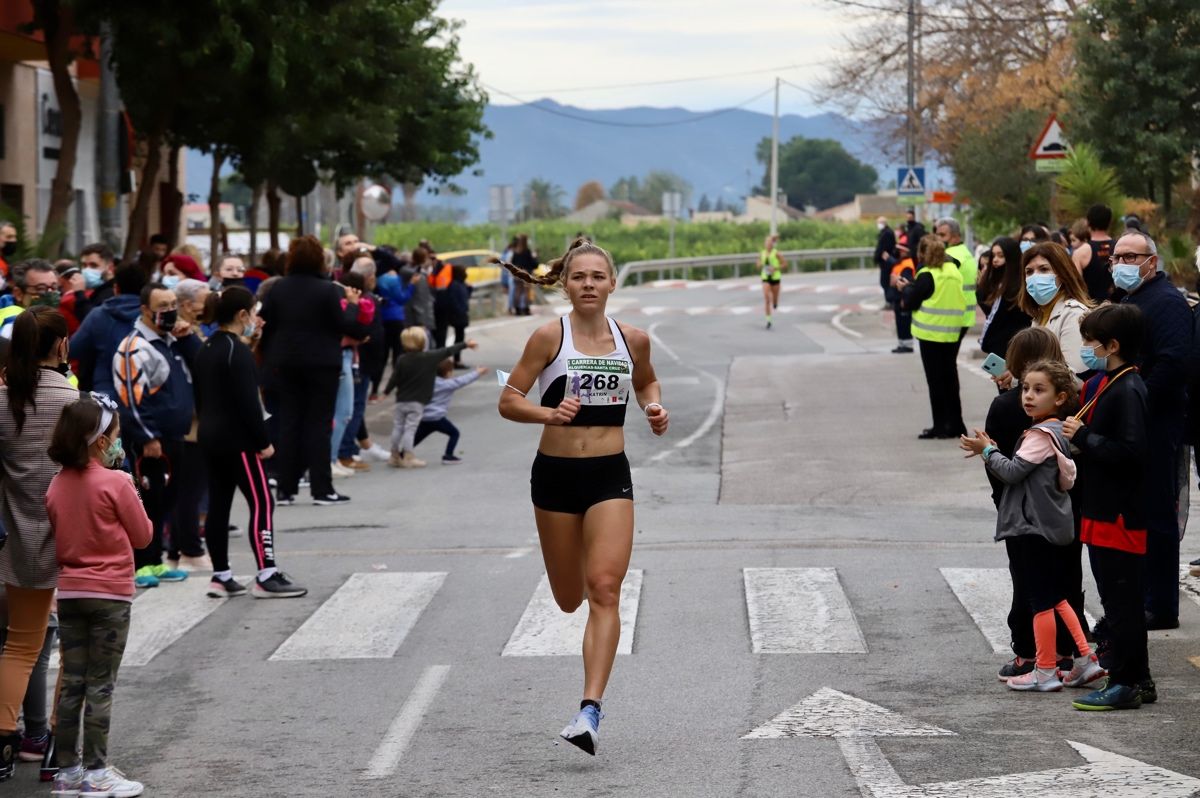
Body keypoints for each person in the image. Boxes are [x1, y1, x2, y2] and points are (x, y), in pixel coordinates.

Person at [497, 238, 668, 756]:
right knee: (569, 597)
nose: (589, 285)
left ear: (613, 283)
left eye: (598, 276)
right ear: (566, 284)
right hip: (554, 476)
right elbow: (509, 400)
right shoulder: (550, 335)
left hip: (609, 475)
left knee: (606, 588)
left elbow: (649, 382)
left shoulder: (633, 339)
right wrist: (547, 414)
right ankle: (587, 701)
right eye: (579, 277)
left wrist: (654, 408)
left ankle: (589, 710)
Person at [961, 359, 1097, 692]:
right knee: (1057, 597)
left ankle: (1046, 670)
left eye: (1039, 390)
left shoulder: (1039, 435)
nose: (1028, 397)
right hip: (1048, 525)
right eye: (1025, 389)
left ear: (1061, 398)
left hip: (1033, 528)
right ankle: (1084, 658)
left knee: (1039, 603)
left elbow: (1011, 472)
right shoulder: (1053, 431)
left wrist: (987, 450)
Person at [44, 394, 151, 796]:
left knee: (71, 682)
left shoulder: (56, 486)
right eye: (117, 435)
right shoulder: (117, 482)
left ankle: (67, 772)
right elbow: (143, 536)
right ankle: (97, 771)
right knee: (100, 684)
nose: (120, 443)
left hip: (70, 593)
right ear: (102, 441)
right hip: (111, 596)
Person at [0, 307, 79, 781]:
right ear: (61, 346)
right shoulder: (73, 401)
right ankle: (57, 746)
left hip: (22, 537)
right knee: (76, 647)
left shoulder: (3, 401)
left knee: (20, 645)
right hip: (75, 536)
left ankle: (3, 739)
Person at [1063, 304, 1154, 709]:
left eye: (1090, 342)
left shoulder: (1128, 389)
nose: (1085, 348)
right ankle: (1139, 679)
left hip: (1120, 513)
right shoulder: (1109, 381)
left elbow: (1132, 453)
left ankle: (1126, 681)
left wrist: (1085, 437)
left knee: (1122, 602)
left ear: (1112, 345)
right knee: (1119, 598)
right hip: (1103, 508)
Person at [194, 287, 307, 599]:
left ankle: (221, 575)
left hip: (210, 435)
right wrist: (263, 441)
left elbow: (201, 398)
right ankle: (267, 572)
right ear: (242, 315)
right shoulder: (237, 351)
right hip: (238, 439)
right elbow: (249, 403)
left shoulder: (207, 347)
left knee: (219, 503)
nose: (257, 319)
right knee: (262, 501)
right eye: (254, 313)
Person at [1113, 230, 1192, 630]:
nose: (1123, 264)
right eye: (1117, 257)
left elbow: (1175, 364)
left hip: (1157, 423)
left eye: (1131, 257)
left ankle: (1161, 606)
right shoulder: (1131, 299)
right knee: (1138, 514)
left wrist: (1135, 398)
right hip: (1135, 423)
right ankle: (1143, 597)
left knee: (1159, 516)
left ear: (1151, 261)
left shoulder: (1166, 303)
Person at [259, 235, 366, 506]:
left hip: (286, 363)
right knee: (319, 425)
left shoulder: (278, 289)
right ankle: (322, 488)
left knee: (289, 423)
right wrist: (352, 305)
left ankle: (286, 488)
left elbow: (266, 325)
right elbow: (345, 325)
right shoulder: (328, 289)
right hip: (322, 363)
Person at [112, 283, 199, 588]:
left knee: (165, 499)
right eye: (163, 306)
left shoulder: (172, 341)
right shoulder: (134, 347)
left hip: (176, 435)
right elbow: (131, 399)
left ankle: (156, 561)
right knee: (147, 500)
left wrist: (187, 339)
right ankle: (140, 564)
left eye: (173, 303)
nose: (170, 311)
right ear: (145, 310)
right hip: (152, 441)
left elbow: (200, 368)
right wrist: (148, 436)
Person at [899, 236, 967, 439]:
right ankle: (956, 424)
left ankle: (940, 426)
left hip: (931, 335)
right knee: (951, 379)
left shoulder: (927, 275)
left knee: (935, 382)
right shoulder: (954, 271)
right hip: (952, 332)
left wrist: (905, 288)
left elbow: (911, 300)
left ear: (922, 254)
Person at [384, 326, 477, 468]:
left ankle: (394, 455)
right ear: (422, 342)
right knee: (410, 429)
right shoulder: (427, 357)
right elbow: (447, 351)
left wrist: (385, 392)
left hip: (401, 400)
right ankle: (409, 457)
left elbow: (394, 378)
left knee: (398, 427)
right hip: (417, 402)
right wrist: (465, 344)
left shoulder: (401, 359)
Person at [339, 257, 390, 468]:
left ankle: (353, 448)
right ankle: (346, 452)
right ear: (370, 276)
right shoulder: (366, 300)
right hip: (361, 361)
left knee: (350, 407)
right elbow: (370, 333)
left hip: (354, 359)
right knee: (354, 407)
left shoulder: (342, 295)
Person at [67, 265, 146, 398]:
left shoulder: (99, 314)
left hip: (106, 393)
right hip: (144, 391)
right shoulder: (150, 315)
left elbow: (73, 349)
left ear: (116, 288)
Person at [1017, 242, 1093, 376]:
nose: (1035, 277)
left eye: (1044, 269)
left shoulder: (1074, 314)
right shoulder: (1039, 316)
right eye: (1029, 272)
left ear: (1062, 274)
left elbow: (1074, 375)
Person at [330, 271, 375, 479]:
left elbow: (363, 327)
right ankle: (330, 458)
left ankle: (333, 457)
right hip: (340, 356)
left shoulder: (357, 303)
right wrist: (353, 304)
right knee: (342, 412)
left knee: (345, 411)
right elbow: (352, 327)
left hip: (348, 356)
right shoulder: (342, 304)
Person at [978, 237, 1032, 378]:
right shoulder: (994, 281)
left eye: (1001, 256)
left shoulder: (1018, 285)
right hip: (1001, 347)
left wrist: (985, 343)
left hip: (1015, 347)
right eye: (993, 255)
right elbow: (983, 300)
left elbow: (995, 318)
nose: (995, 260)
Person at [414, 360, 487, 464]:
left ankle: (402, 453)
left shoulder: (429, 382)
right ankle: (448, 456)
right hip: (437, 418)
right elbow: (463, 380)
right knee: (454, 433)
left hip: (425, 417)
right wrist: (477, 372)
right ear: (448, 373)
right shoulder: (448, 384)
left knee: (417, 437)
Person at [934, 217, 978, 349]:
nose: (938, 239)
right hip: (962, 316)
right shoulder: (964, 251)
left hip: (952, 317)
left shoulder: (951, 256)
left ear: (955, 236)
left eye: (942, 235)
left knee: (944, 363)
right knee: (948, 362)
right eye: (937, 235)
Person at [0, 259, 61, 339]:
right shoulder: (13, 327)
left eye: (54, 287)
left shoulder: (41, 320)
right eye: (40, 288)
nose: (50, 293)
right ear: (19, 294)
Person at [1073, 204, 1115, 303]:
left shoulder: (1080, 253)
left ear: (1088, 223)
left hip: (1092, 309)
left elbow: (1075, 286)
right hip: (1117, 307)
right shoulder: (1119, 247)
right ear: (1109, 223)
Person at [885, 234, 916, 353]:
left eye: (900, 250)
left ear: (904, 251)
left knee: (904, 322)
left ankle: (907, 345)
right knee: (899, 322)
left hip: (902, 297)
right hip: (897, 297)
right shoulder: (900, 263)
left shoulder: (907, 264)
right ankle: (902, 343)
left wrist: (895, 280)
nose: (898, 252)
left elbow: (905, 281)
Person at [405, 247, 436, 333]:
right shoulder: (419, 277)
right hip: (419, 321)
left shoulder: (409, 272)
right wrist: (422, 322)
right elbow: (420, 300)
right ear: (425, 259)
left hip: (413, 318)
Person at [447, 265, 473, 367]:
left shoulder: (461, 284)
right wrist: (460, 311)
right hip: (458, 315)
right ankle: (456, 360)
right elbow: (453, 301)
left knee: (460, 337)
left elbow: (466, 297)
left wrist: (470, 288)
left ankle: (457, 359)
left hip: (461, 314)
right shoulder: (455, 285)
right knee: (459, 338)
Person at [760, 233, 785, 330]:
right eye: (766, 242)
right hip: (765, 277)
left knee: (774, 299)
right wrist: (759, 264)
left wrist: (775, 268)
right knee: (767, 298)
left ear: (772, 244)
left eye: (769, 242)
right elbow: (759, 262)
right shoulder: (762, 253)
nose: (767, 244)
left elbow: (784, 264)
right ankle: (768, 320)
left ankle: (775, 302)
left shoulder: (777, 253)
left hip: (775, 278)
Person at [509, 235, 537, 316]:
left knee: (517, 292)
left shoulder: (516, 251)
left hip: (517, 274)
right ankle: (526, 309)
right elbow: (532, 263)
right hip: (525, 274)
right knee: (526, 292)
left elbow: (513, 263)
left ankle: (517, 309)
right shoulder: (527, 251)